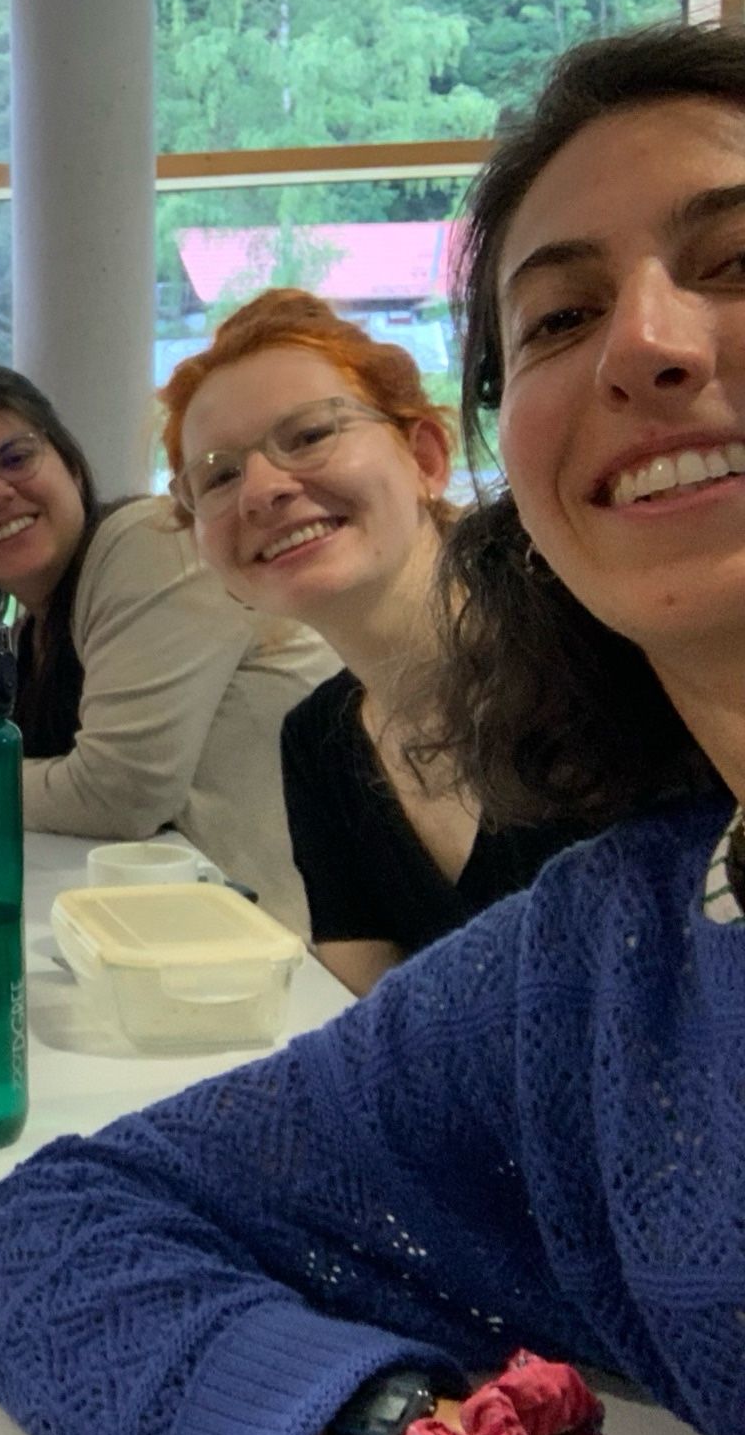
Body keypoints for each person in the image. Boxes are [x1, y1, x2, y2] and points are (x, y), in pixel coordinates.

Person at [0, 23, 745, 1435]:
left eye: (734, 259)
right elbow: (362, 1040)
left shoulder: (628, 833)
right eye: (558, 319)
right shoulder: (602, 947)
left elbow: (116, 791)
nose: (648, 341)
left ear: (432, 453)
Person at [159, 291, 595, 993]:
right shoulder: (318, 742)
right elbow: (376, 1036)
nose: (261, 491)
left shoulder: (594, 653)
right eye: (219, 475)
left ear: (424, 457)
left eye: (306, 436)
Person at [0, 365, 339, 933]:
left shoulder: (148, 542)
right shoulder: (31, 631)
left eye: (15, 458)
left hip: (298, 956)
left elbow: (118, 794)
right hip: (186, 934)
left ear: (70, 464)